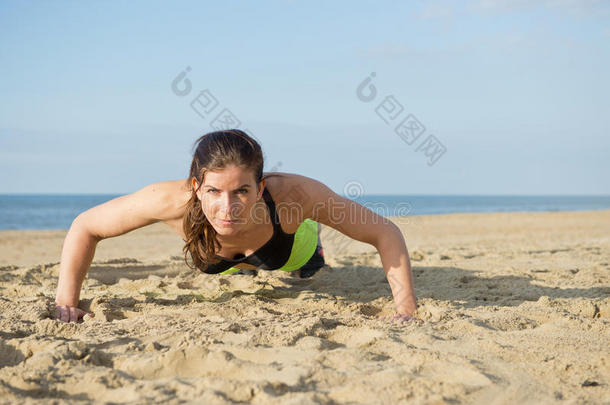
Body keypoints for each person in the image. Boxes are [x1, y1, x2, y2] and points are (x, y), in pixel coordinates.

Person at [54, 129, 419, 324]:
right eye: (213, 191)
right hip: (222, 257)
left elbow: (384, 233)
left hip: (290, 250)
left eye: (242, 191)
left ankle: (313, 244)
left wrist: (406, 308)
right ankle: (243, 267)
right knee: (237, 263)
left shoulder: (295, 195)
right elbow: (86, 226)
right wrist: (67, 302)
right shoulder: (170, 201)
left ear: (260, 186)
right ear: (196, 187)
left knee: (307, 262)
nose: (227, 208)